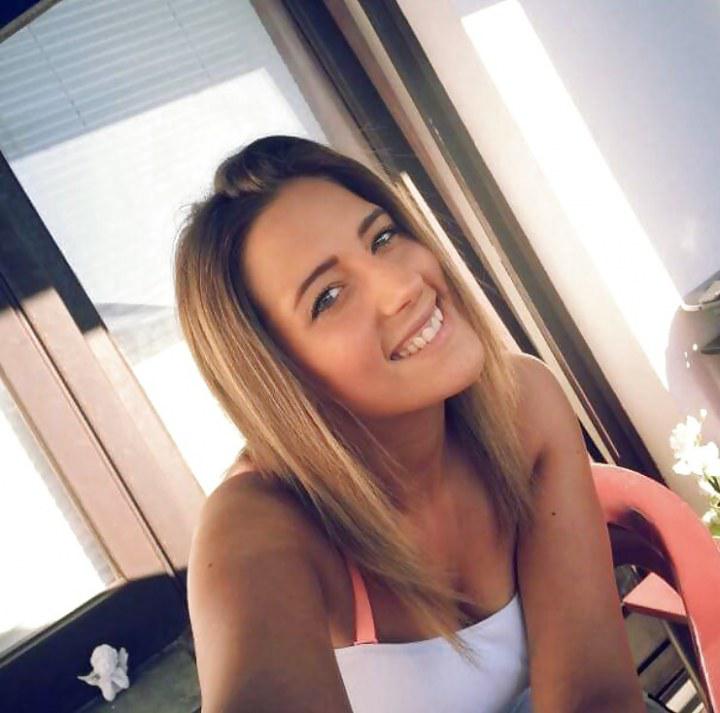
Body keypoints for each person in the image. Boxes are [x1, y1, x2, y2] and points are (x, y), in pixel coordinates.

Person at [173, 135, 646, 712]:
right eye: (329, 297)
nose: (403, 287)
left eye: (383, 238)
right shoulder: (257, 528)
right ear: (279, 374)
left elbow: (594, 697)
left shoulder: (524, 403)